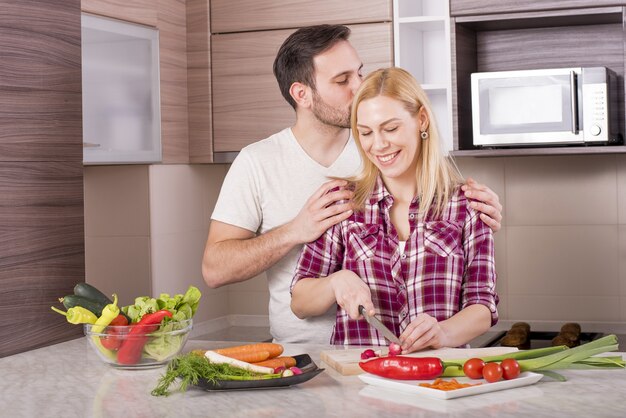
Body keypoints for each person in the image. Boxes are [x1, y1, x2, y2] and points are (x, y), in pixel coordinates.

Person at [203, 24, 502, 344]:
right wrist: (297, 230)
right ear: (301, 93)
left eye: (359, 73)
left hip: (426, 368)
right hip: (317, 357)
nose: (359, 87)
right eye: (343, 80)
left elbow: (480, 297)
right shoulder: (263, 164)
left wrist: (481, 216)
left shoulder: (394, 157)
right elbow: (216, 270)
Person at [290, 67, 498, 353]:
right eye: (366, 133)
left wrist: (442, 333)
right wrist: (336, 283)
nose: (379, 144)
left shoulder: (468, 205)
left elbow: (482, 306)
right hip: (359, 382)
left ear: (421, 120)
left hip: (439, 382)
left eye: (390, 128)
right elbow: (300, 301)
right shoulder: (342, 203)